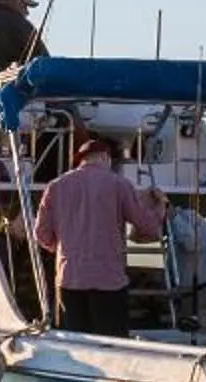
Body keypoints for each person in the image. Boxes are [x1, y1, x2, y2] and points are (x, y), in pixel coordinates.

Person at [31, 135, 164, 337]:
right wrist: (160, 208)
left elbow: (41, 234)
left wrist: (61, 249)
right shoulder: (119, 184)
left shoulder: (56, 186)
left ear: (81, 160)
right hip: (109, 281)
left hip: (70, 280)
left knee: (74, 343)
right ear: (105, 158)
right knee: (110, 346)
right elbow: (147, 227)